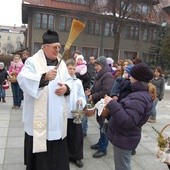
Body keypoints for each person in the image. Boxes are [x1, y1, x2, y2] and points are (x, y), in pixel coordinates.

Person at [17, 30, 71, 170]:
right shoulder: (32, 62)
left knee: (57, 154)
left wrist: (66, 88)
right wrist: (43, 77)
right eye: (54, 47)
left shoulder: (61, 63)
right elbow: (22, 79)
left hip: (56, 119)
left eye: (59, 47)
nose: (57, 50)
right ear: (45, 47)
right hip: (38, 121)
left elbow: (69, 80)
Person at [104, 63, 154, 170]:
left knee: (122, 166)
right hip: (125, 137)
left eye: (131, 75)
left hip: (124, 138)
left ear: (137, 77)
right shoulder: (138, 93)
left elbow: (128, 121)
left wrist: (111, 104)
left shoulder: (139, 97)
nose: (129, 76)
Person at [85, 56, 114, 158]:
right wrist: (91, 92)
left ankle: (103, 148)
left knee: (103, 127)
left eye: (97, 65)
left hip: (104, 105)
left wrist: (93, 96)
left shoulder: (107, 76)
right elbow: (98, 87)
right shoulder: (101, 75)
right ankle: (100, 142)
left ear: (102, 65)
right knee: (101, 125)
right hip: (99, 104)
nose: (95, 67)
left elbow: (107, 91)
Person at [66, 59, 86, 168]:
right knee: (66, 135)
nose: (72, 71)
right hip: (64, 114)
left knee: (77, 136)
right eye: (70, 68)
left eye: (74, 69)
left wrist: (81, 100)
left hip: (76, 114)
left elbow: (82, 95)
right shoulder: (62, 81)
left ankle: (77, 156)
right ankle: (66, 155)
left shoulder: (78, 82)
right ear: (66, 69)